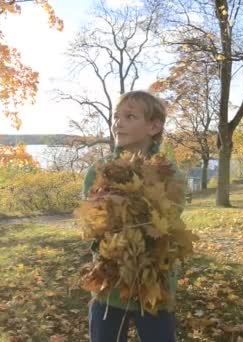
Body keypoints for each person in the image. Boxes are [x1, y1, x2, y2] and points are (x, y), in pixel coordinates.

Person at [82, 90, 185, 342]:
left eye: (129, 116)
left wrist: (126, 208)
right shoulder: (97, 172)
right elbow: (90, 229)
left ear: (154, 126)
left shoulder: (170, 175)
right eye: (116, 116)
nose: (118, 122)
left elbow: (163, 227)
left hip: (153, 287)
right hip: (109, 286)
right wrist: (97, 216)